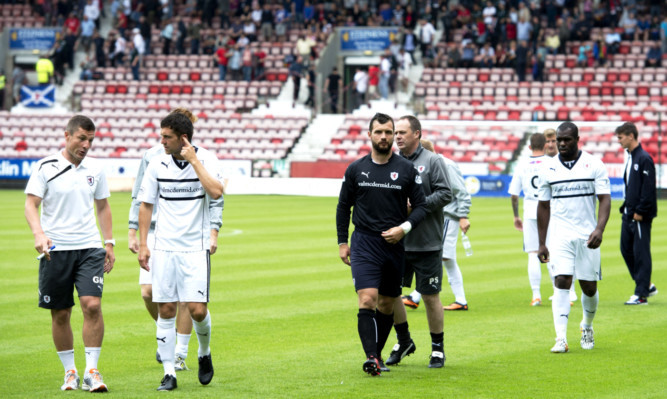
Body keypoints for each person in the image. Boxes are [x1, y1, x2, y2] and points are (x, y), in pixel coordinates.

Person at [24, 115, 115, 392]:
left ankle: (92, 371)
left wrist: (109, 242)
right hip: (56, 250)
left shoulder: (96, 169)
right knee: (61, 313)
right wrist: (39, 234)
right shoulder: (45, 166)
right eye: (81, 139)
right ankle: (70, 372)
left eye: (91, 140)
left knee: (92, 305)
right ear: (67, 136)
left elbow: (103, 206)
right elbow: (31, 205)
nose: (86, 145)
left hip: (89, 247)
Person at [128, 109, 223, 371]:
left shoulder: (207, 159)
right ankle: (170, 363)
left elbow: (216, 193)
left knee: (196, 309)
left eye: (166, 137)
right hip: (162, 241)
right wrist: (139, 237)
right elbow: (142, 200)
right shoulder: (155, 160)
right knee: (160, 301)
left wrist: (194, 162)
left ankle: (201, 352)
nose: (161, 141)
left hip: (194, 245)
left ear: (182, 138)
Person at [336, 112, 427, 376]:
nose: (385, 137)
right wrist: (343, 241)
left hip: (394, 245)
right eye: (379, 132)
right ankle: (372, 357)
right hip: (364, 242)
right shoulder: (355, 169)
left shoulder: (407, 170)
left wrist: (404, 228)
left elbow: (421, 206)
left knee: (387, 304)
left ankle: (375, 357)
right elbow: (343, 208)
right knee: (367, 299)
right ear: (370, 135)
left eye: (389, 132)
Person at [537, 122, 611, 353]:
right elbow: (543, 206)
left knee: (589, 287)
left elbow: (605, 199)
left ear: (577, 139)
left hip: (587, 235)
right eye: (559, 139)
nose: (561, 143)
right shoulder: (547, 169)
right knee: (562, 281)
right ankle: (561, 338)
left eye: (567, 139)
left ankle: (587, 326)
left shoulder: (593, 164)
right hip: (560, 234)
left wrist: (599, 229)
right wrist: (542, 242)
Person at [385, 116, 451, 369]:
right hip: (396, 241)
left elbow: (446, 193)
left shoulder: (432, 161)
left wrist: (418, 205)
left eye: (402, 132)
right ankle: (403, 341)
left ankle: (437, 349)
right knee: (390, 296)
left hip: (426, 242)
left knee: (430, 297)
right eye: (395, 132)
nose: (397, 136)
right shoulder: (390, 162)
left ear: (417, 134)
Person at [403, 139, 472, 312]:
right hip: (438, 216)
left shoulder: (444, 165)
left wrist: (463, 215)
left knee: (441, 256)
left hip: (448, 215)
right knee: (446, 258)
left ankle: (416, 296)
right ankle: (460, 299)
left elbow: (461, 191)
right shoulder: (434, 164)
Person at [615, 122, 658, 305]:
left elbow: (648, 189)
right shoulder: (631, 157)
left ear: (630, 136)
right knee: (625, 249)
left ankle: (641, 295)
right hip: (629, 214)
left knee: (641, 254)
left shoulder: (643, 158)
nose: (619, 141)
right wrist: (626, 206)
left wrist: (640, 211)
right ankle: (646, 284)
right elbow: (632, 186)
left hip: (640, 216)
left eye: (621, 137)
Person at [509, 133, 553, 306]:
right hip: (549, 210)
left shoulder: (522, 164)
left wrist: (515, 216)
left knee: (533, 253)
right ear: (545, 146)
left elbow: (514, 194)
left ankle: (536, 295)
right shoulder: (551, 163)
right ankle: (559, 292)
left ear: (529, 147)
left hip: (529, 211)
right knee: (552, 251)